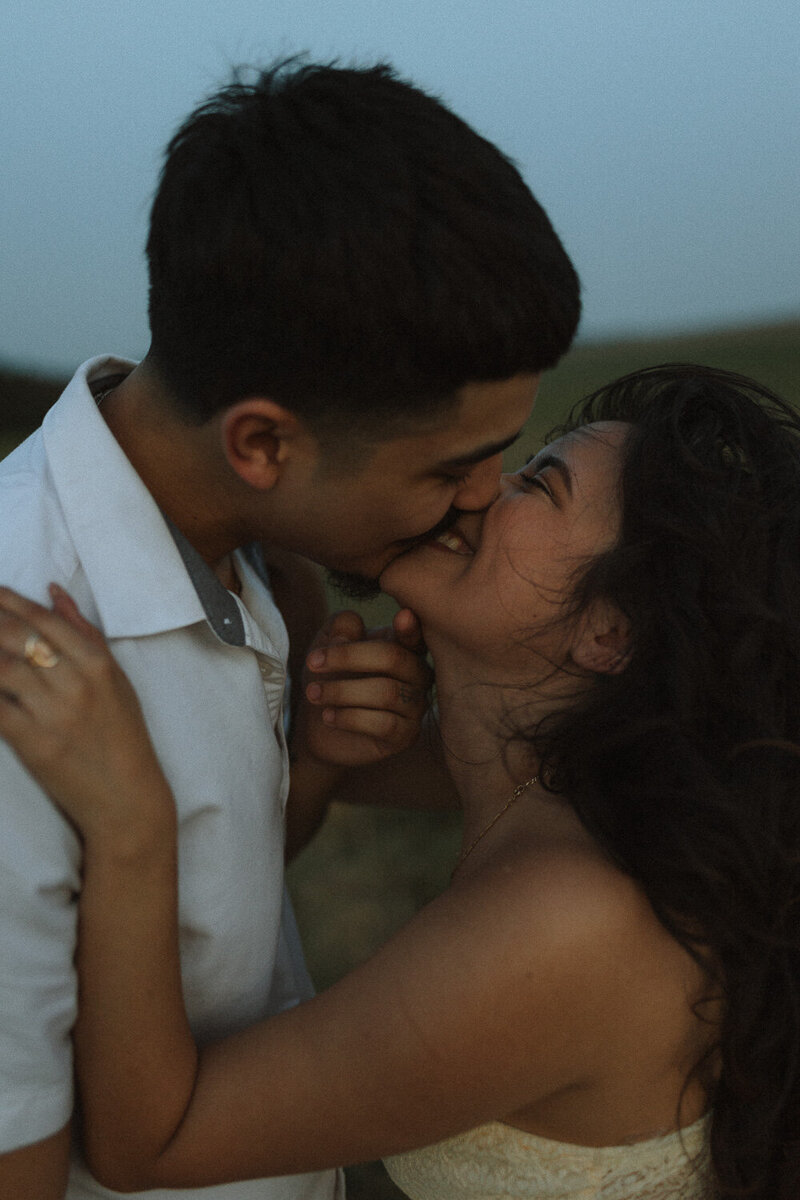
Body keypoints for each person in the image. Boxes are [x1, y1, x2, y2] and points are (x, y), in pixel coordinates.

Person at [1, 364, 798, 1200]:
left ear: (608, 630)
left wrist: (131, 821)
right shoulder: (567, 784)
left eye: (539, 483)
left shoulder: (572, 918)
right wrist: (315, 760)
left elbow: (152, 1146)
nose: (483, 492)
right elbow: (252, 841)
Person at [0, 57, 581, 1199]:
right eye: (454, 467)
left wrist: (307, 774)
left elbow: (215, 925)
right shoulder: (32, 665)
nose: (486, 499)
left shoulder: (266, 559)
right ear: (262, 444)